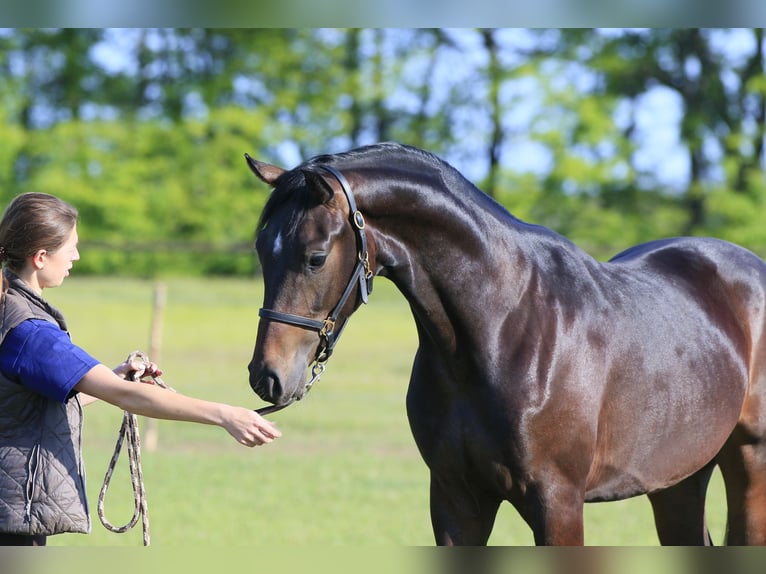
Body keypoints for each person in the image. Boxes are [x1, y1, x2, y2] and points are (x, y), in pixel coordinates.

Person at [0, 192, 281, 546]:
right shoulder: (32, 332)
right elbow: (126, 397)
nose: (76, 256)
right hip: (12, 520)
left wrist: (114, 375)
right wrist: (225, 415)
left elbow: (24, 408)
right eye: (70, 247)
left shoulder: (8, 310)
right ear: (41, 257)